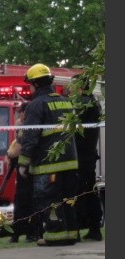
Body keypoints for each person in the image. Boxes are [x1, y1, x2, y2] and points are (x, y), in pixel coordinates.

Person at [18, 64, 79, 246]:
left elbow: (31, 136)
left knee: (49, 199)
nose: (29, 88)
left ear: (35, 84)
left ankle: (55, 235)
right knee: (68, 199)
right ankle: (71, 234)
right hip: (70, 161)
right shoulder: (65, 101)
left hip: (48, 164)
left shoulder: (36, 105)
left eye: (29, 84)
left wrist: (23, 162)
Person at [71, 74, 103, 241]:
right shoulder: (93, 102)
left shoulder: (81, 103)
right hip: (89, 154)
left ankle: (75, 229)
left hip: (80, 155)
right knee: (90, 193)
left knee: (77, 193)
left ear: (79, 86)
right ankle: (94, 228)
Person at [6, 102, 40, 243]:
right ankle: (34, 232)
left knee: (22, 204)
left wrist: (9, 153)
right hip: (35, 170)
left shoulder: (24, 128)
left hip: (24, 172)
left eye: (21, 111)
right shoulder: (37, 125)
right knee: (34, 202)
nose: (19, 114)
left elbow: (16, 151)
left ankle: (19, 234)